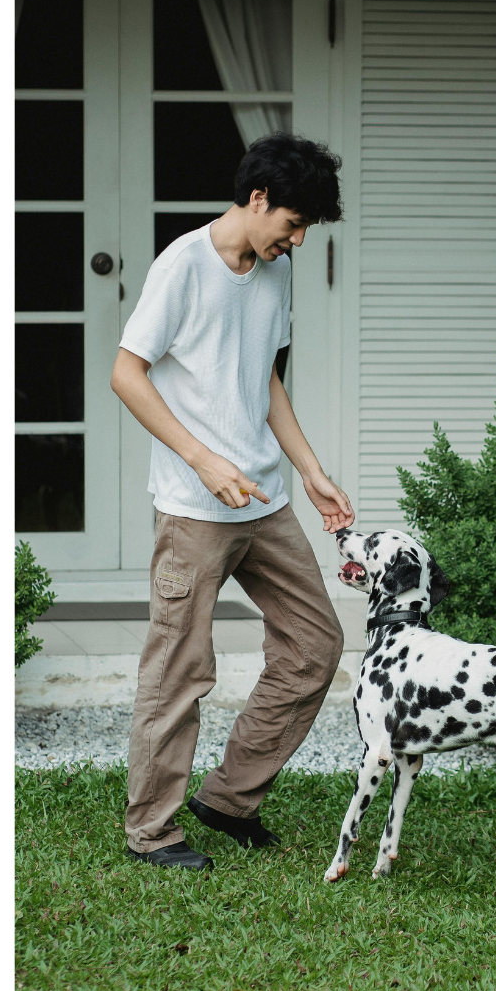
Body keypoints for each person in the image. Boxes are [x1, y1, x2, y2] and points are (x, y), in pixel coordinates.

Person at [110, 133, 353, 870]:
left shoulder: (275, 273)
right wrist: (203, 460)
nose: (299, 239)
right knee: (179, 670)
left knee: (316, 646)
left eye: (308, 227)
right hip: (194, 506)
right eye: (293, 222)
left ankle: (229, 798)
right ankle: (152, 830)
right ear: (258, 199)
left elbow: (264, 378)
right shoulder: (183, 265)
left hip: (264, 500)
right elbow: (127, 374)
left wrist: (309, 469)